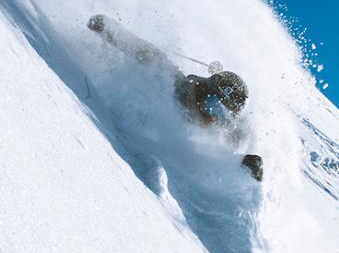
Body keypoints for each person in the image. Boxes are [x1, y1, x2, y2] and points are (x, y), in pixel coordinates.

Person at [87, 14, 263, 181]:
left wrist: (248, 164)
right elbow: (147, 54)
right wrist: (110, 30)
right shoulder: (174, 85)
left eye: (221, 114)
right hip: (111, 126)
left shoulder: (218, 132)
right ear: (203, 91)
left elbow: (226, 159)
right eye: (213, 105)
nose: (213, 116)